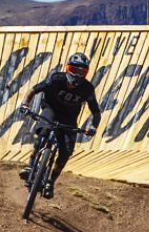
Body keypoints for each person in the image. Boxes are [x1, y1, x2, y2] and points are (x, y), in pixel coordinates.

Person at [16, 52, 102, 198]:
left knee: (66, 151)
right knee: (44, 133)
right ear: (67, 68)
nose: (77, 75)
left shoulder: (87, 89)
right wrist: (25, 104)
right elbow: (34, 89)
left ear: (86, 73)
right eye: (74, 70)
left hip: (69, 118)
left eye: (82, 72)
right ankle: (30, 165)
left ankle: (50, 181)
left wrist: (93, 127)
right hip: (51, 110)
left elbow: (96, 112)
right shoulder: (56, 79)